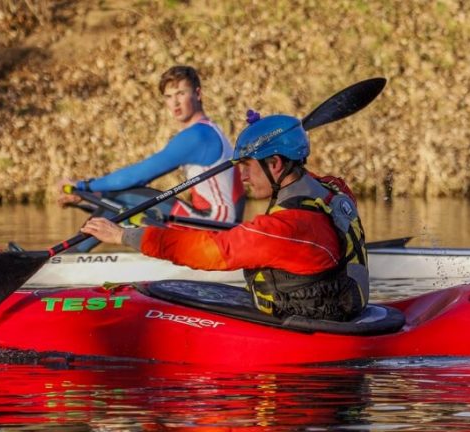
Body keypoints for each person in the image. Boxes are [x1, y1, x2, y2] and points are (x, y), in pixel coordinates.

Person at [80, 111, 370, 321]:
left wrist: (123, 235)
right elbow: (306, 177)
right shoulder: (333, 190)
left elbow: (211, 251)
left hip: (310, 327)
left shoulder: (284, 228)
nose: (241, 176)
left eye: (246, 166)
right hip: (339, 308)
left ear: (276, 163)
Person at [58, 65, 245, 252]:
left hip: (214, 225)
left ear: (198, 94)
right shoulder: (209, 130)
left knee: (125, 196)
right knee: (123, 200)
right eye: (169, 97)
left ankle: (68, 258)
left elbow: (136, 176)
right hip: (219, 222)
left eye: (181, 93)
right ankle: (73, 255)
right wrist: (88, 195)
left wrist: (85, 187)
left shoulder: (198, 136)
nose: (175, 103)